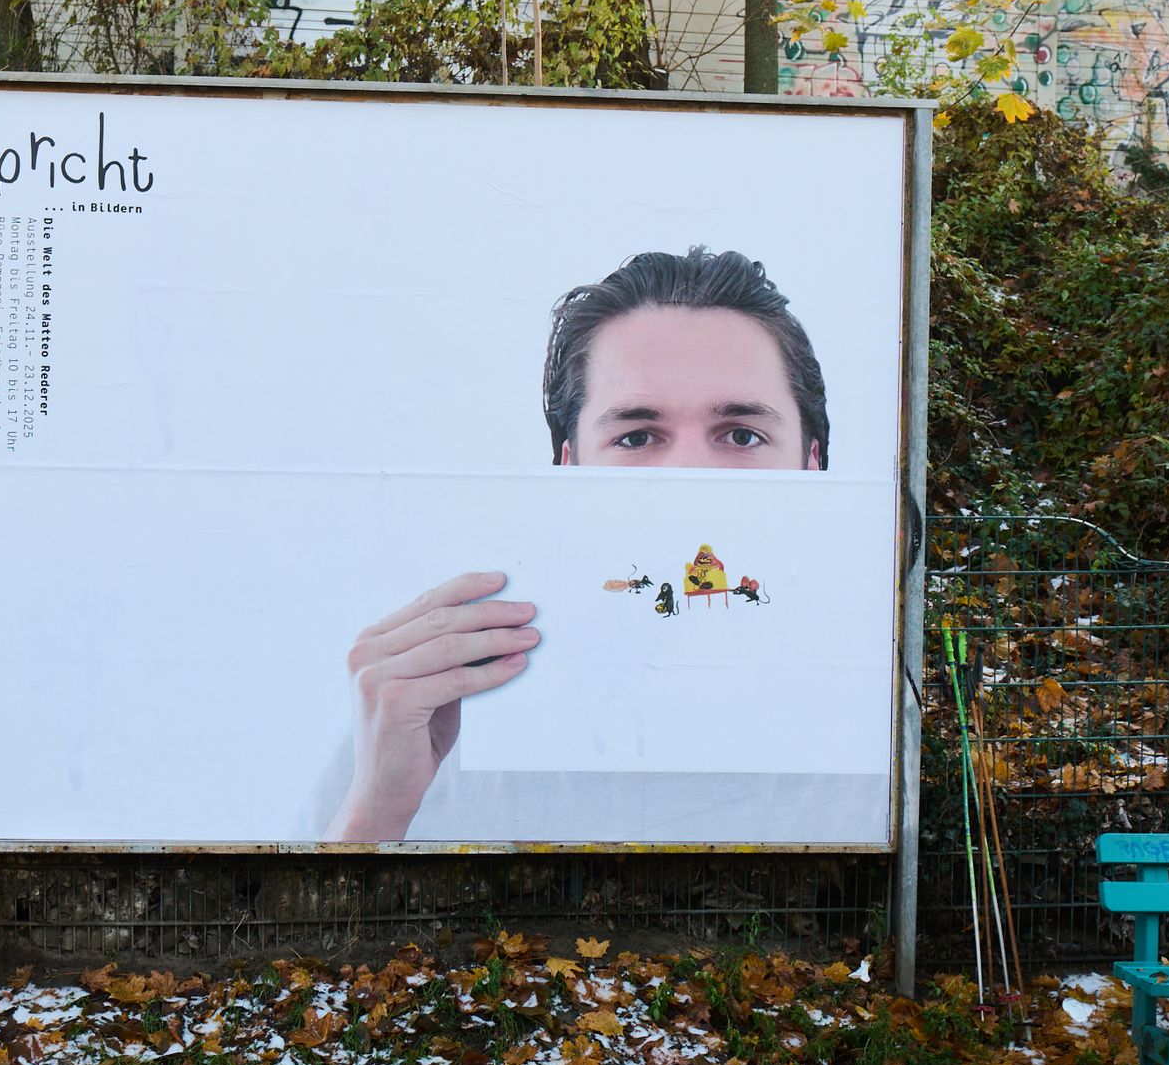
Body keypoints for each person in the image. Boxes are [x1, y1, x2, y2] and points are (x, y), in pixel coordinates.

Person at [319, 246, 830, 844]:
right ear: (570, 466)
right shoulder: (433, 717)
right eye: (637, 437)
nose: (687, 475)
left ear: (812, 463)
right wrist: (376, 810)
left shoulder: (892, 714)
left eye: (742, 436)